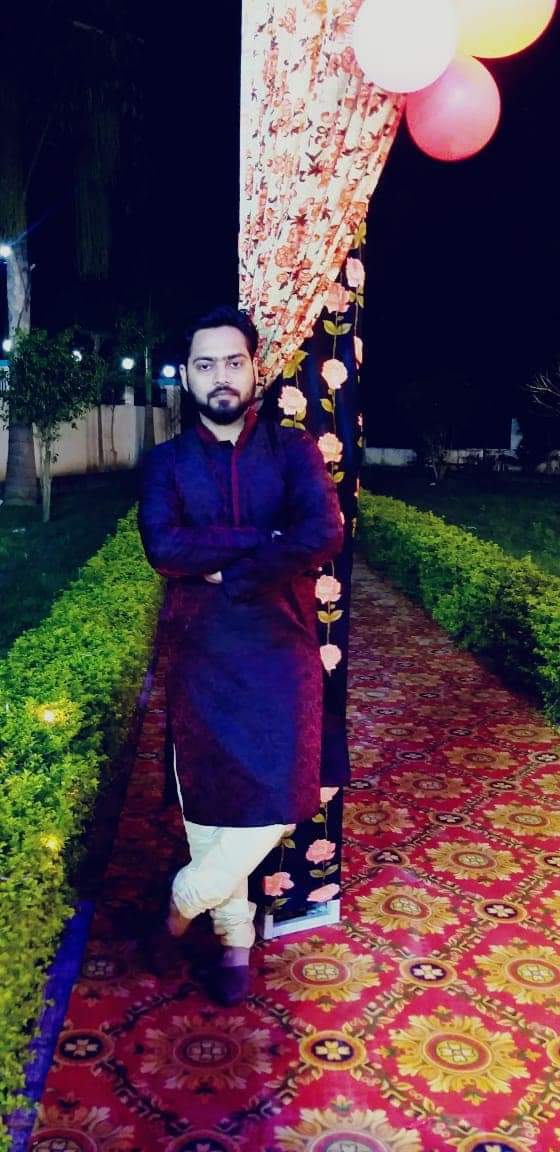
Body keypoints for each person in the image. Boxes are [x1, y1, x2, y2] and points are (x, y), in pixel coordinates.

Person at [138, 305, 343, 1005]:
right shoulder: (165, 463)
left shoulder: (293, 451)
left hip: (282, 650)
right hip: (200, 652)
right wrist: (264, 540)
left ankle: (182, 900)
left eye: (233, 361)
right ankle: (234, 936)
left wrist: (228, 567)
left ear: (256, 368)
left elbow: (322, 532)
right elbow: (164, 546)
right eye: (205, 364)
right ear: (186, 376)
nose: (220, 376)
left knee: (283, 796)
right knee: (209, 800)